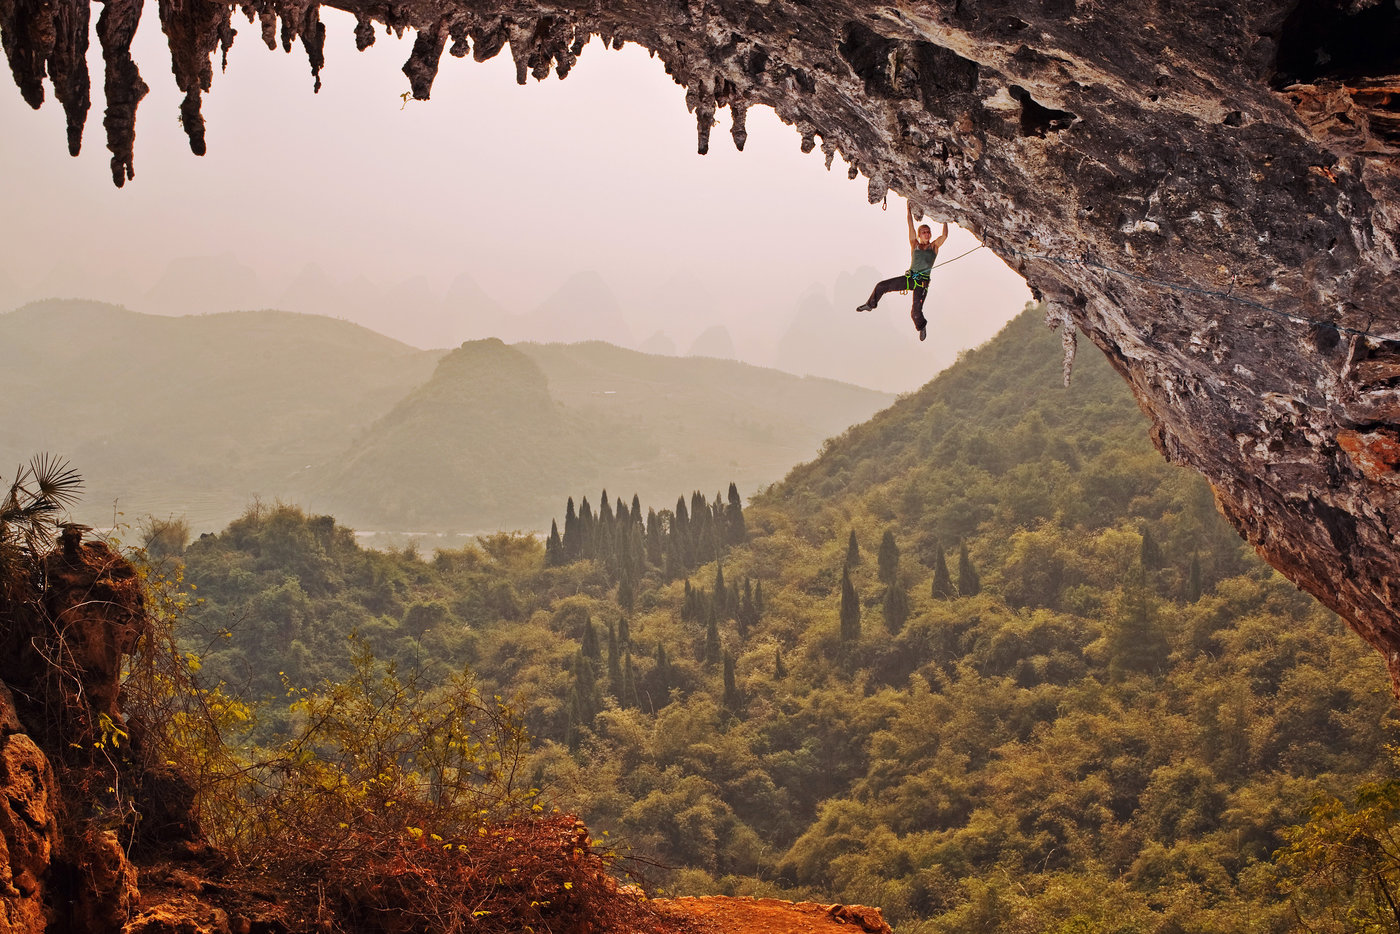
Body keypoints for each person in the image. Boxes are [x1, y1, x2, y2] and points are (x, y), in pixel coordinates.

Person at [855, 203, 948, 340]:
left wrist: (946, 219)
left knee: (915, 312)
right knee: (882, 285)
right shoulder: (914, 244)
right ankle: (870, 304)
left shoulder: (934, 246)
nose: (927, 234)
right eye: (924, 232)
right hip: (910, 279)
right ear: (919, 234)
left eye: (928, 232)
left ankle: (921, 327)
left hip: (922, 283)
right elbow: (910, 225)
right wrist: (908, 210)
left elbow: (944, 235)